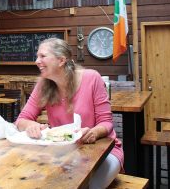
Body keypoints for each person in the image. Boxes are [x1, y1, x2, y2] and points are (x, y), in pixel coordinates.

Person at [15, 38, 123, 188]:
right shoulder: (43, 84)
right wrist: (31, 126)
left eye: (43, 56)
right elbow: (21, 120)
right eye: (37, 56)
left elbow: (106, 122)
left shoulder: (92, 78)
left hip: (104, 152)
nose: (37, 61)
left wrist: (94, 132)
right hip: (64, 154)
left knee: (86, 186)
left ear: (61, 60)